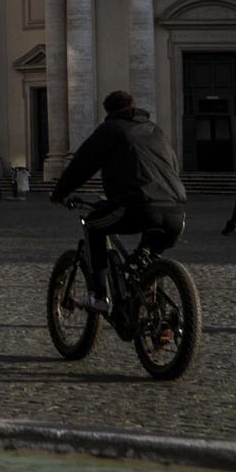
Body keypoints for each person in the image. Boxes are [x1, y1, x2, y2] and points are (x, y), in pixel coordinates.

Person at [50, 90, 187, 314]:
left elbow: (82, 165)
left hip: (137, 205)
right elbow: (172, 166)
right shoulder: (155, 131)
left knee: (93, 225)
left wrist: (59, 193)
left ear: (109, 111)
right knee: (146, 259)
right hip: (176, 211)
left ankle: (98, 296)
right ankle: (151, 309)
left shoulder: (110, 129)